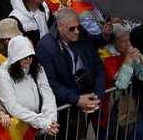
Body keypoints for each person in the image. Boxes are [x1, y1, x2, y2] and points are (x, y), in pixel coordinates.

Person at [35, 8, 103, 140]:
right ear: (60, 27)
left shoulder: (83, 37)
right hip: (64, 110)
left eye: (78, 27)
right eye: (72, 28)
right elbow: (50, 82)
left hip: (88, 102)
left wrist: (97, 94)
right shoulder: (45, 46)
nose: (77, 31)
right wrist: (76, 100)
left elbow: (97, 65)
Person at [0, 35, 58, 139]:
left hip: (40, 125)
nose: (29, 60)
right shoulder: (3, 74)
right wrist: (42, 122)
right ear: (16, 57)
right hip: (19, 129)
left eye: (31, 56)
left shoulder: (36, 67)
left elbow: (47, 93)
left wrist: (51, 120)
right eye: (25, 57)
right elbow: (12, 106)